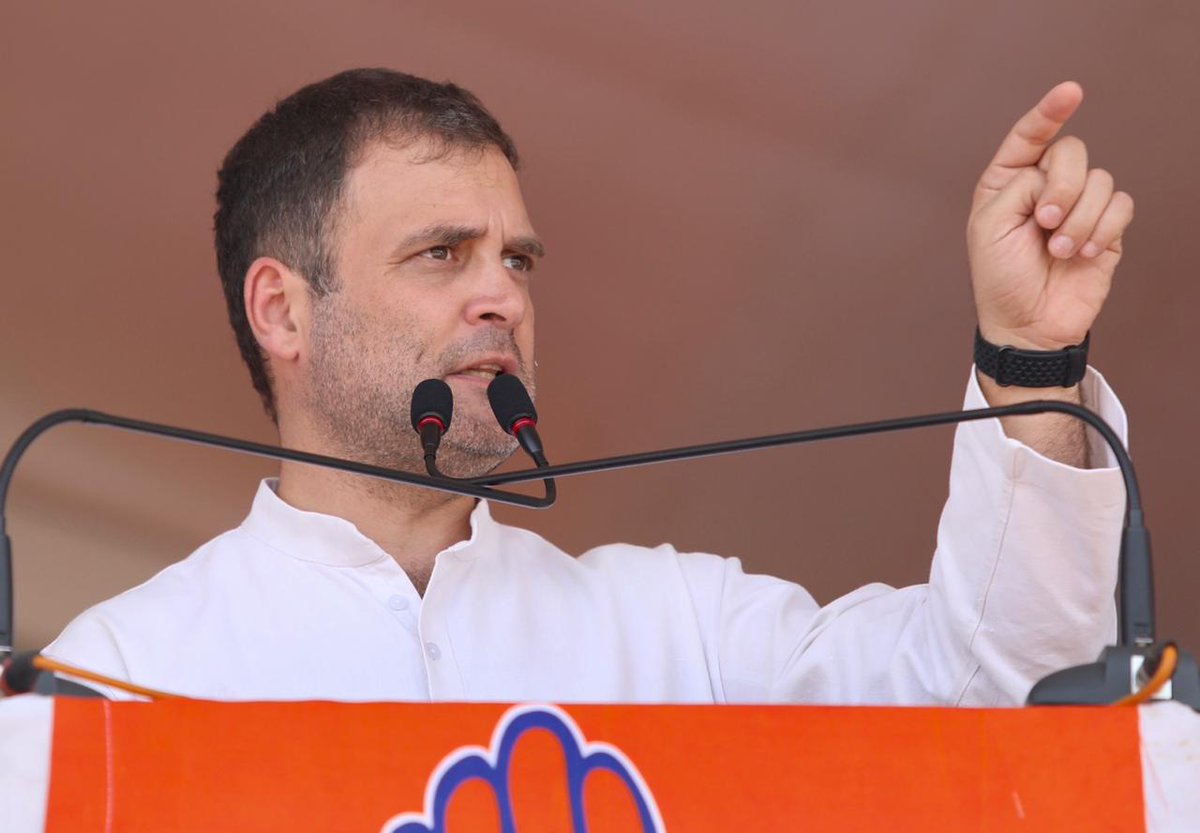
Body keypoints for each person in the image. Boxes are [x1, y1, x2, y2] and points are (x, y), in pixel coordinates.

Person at [45, 69, 1133, 704]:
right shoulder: (118, 675)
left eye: (516, 260)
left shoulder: (677, 627)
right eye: (442, 254)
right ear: (281, 309)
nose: (502, 298)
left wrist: (1030, 354)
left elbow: (1009, 690)